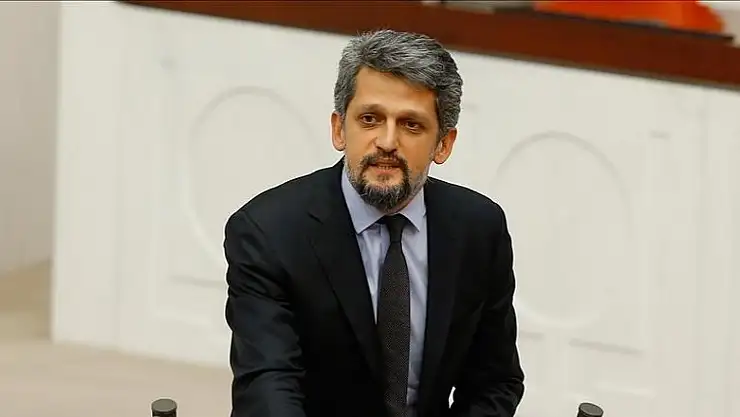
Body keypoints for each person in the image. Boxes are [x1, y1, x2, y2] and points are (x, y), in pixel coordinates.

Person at [223, 29, 525, 417]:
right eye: (370, 119)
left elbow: (494, 382)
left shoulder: (478, 229)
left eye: (411, 125)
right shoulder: (268, 232)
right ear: (339, 129)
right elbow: (267, 385)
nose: (386, 141)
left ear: (443, 144)